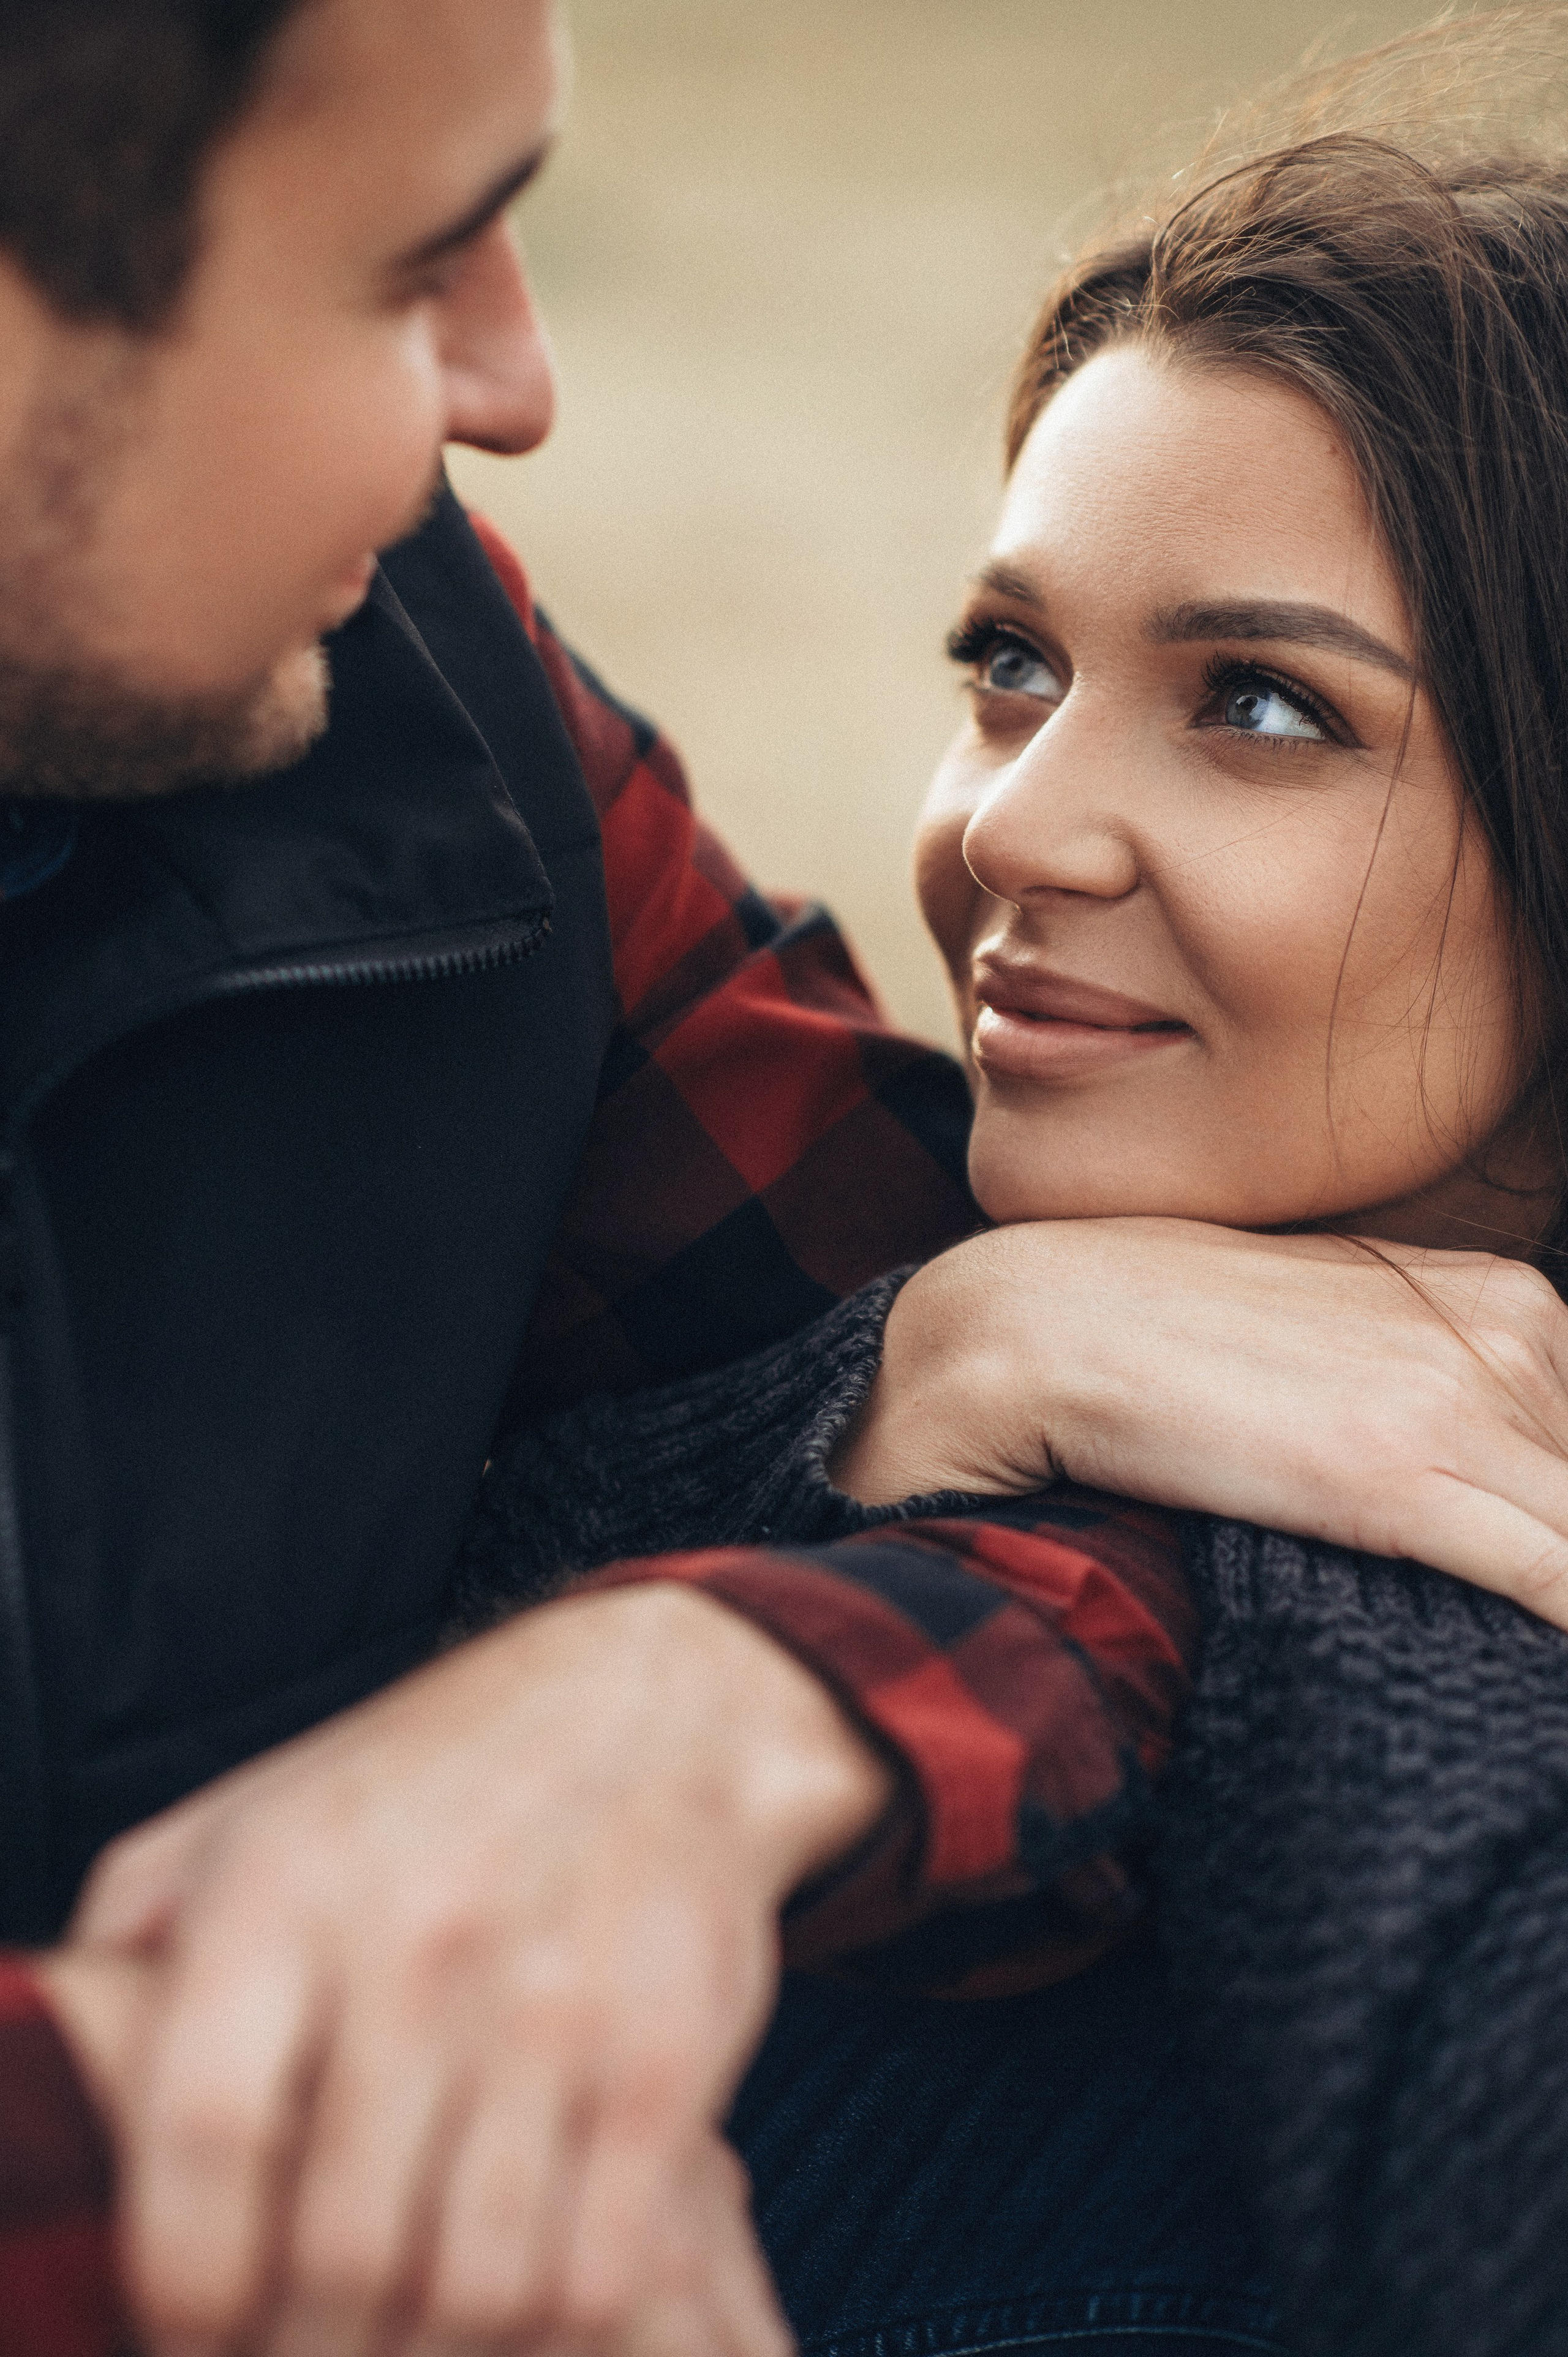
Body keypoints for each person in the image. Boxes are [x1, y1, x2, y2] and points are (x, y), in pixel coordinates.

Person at [7, 6, 1568, 2357]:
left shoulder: (437, 737)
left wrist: (778, 1600)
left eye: (1260, 701)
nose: (1013, 826)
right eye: (1009, 663)